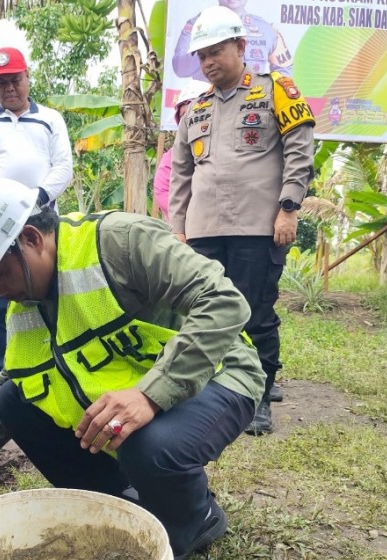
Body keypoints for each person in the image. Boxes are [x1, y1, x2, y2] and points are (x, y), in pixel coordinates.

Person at [0, 178, 266, 560]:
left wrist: (150, 395)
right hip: (131, 391)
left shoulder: (121, 241)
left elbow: (224, 301)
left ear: (30, 239)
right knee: (14, 402)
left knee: (149, 447)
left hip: (219, 374)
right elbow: (16, 386)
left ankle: (195, 520)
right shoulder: (27, 302)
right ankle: (122, 508)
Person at [168, 6, 315, 434]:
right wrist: (177, 228)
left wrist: (288, 208)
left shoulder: (275, 91)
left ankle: (260, 395)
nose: (210, 61)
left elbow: (300, 150)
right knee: (202, 311)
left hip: (257, 227)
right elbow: (180, 173)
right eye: (202, 55)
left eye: (217, 51)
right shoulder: (194, 110)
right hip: (203, 232)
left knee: (255, 313)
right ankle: (209, 386)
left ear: (240, 46)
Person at [0, 47, 73, 395]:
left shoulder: (50, 119)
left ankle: (51, 362)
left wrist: (35, 198)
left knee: (45, 290)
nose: (9, 88)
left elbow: (63, 168)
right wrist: (0, 204)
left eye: (15, 80)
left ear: (27, 78)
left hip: (40, 219)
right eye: (1, 83)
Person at [173, 0, 293, 81]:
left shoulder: (265, 28)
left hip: (253, 103)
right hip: (208, 105)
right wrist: (208, 45)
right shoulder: (196, 25)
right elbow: (179, 68)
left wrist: (270, 93)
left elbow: (284, 69)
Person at [154, 79, 210, 221]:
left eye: (194, 115)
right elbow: (163, 192)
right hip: (185, 229)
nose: (189, 121)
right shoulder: (170, 158)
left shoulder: (224, 148)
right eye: (184, 116)